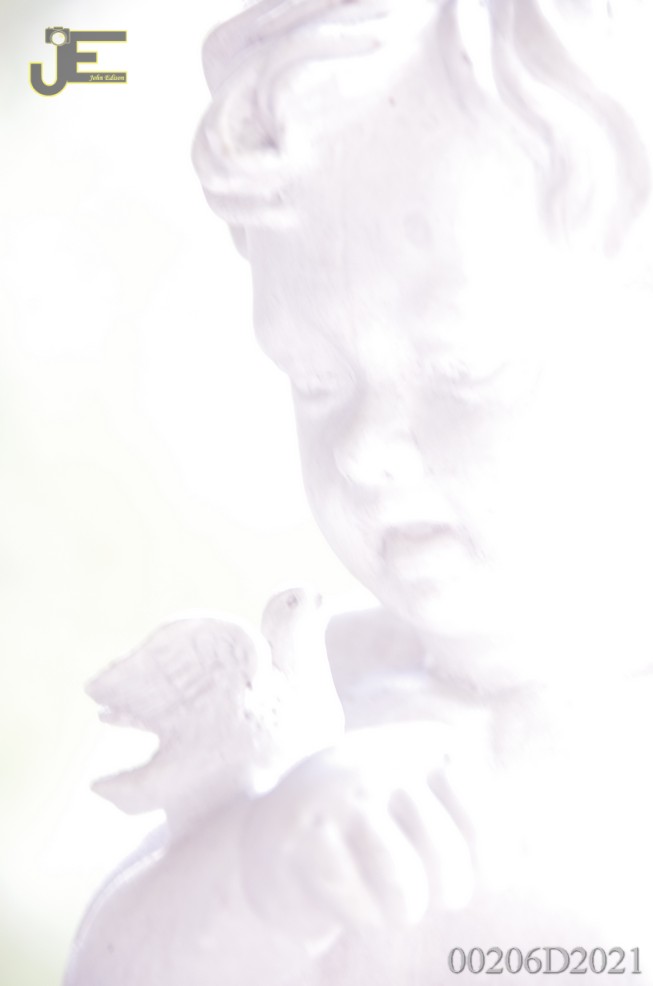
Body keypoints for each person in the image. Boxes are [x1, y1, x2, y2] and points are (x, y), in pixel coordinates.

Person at [68, 1, 653, 982]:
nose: (364, 447)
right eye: (315, 379)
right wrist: (254, 878)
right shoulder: (311, 713)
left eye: (464, 364)